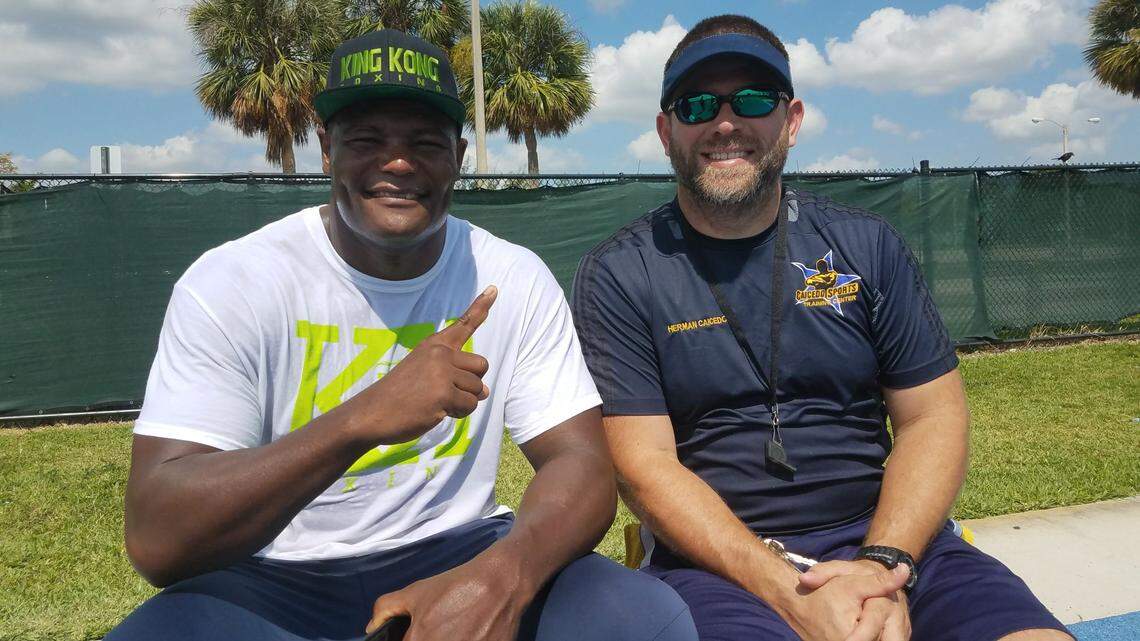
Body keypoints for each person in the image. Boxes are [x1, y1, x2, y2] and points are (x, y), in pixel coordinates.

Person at [107, 29, 696, 641]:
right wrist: (364, 417)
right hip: (273, 578)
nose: (396, 162)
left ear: (459, 156)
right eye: (366, 139)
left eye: (423, 142)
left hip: (464, 551)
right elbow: (158, 539)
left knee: (645, 619)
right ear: (326, 148)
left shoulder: (509, 275)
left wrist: (503, 578)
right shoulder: (234, 280)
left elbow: (581, 465)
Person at [570, 14, 1072, 641]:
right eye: (698, 104)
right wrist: (791, 593)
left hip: (892, 541)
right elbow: (643, 468)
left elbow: (932, 418)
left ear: (793, 120)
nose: (725, 123)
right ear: (666, 130)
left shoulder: (867, 244)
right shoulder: (620, 272)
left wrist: (882, 566)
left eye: (753, 99)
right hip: (718, 565)